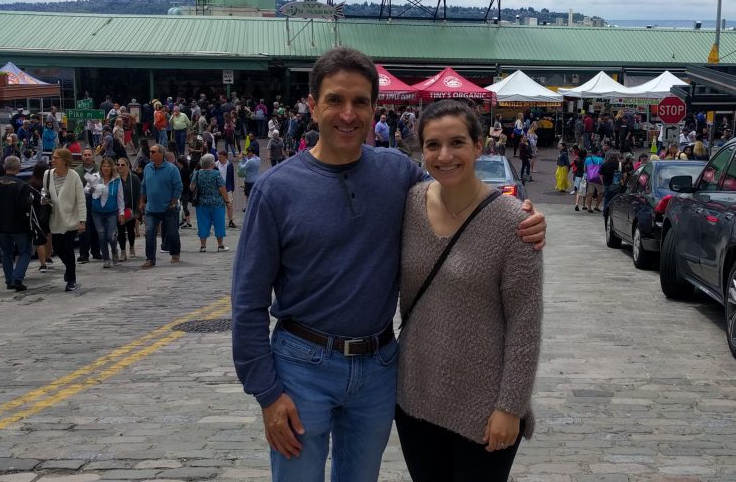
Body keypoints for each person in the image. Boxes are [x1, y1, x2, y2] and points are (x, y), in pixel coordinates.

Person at [231, 47, 545, 482]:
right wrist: (267, 393)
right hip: (302, 368)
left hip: (378, 367)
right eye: (335, 100)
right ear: (312, 103)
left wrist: (521, 216)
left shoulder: (398, 174)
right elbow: (247, 302)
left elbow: (457, 193)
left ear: (374, 108)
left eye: (360, 101)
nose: (348, 113)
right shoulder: (276, 190)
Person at [396, 100, 542, 482]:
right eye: (432, 145)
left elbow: (525, 325)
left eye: (457, 142)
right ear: (421, 150)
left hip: (483, 406)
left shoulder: (514, 223)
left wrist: (511, 406)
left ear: (479, 146)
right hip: (415, 396)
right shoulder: (408, 205)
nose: (445, 155)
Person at [0, 155, 34, 292]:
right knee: (25, 251)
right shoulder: (22, 185)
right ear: (19, 168)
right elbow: (26, 207)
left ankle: (9, 279)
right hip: (19, 225)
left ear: (4, 167)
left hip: (0, 225)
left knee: (6, 252)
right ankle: (17, 277)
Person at [44, 148, 86, 292]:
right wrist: (44, 198)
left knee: (67, 249)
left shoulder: (74, 176)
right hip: (54, 218)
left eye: (55, 158)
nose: (53, 160)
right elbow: (45, 191)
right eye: (52, 157)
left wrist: (82, 220)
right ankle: (69, 270)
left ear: (64, 160)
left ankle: (71, 278)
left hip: (70, 219)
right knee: (57, 248)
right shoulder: (48, 174)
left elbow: (81, 199)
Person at [138, 143, 183, 267]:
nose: (150, 154)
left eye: (153, 152)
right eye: (150, 152)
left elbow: (178, 187)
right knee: (150, 232)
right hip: (152, 208)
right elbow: (144, 186)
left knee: (172, 232)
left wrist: (173, 202)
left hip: (168, 207)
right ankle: (150, 259)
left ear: (161, 154)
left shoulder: (171, 169)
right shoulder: (148, 168)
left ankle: (175, 253)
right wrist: (142, 201)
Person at [189, 153, 231, 253]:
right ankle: (220, 245)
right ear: (212, 163)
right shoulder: (216, 174)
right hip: (217, 203)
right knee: (219, 223)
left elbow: (192, 188)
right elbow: (222, 189)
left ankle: (203, 246)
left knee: (202, 224)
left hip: (202, 203)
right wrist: (228, 201)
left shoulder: (197, 173)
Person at [90, 157, 125, 268]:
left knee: (111, 236)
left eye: (108, 166)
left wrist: (122, 213)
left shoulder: (117, 180)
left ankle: (114, 251)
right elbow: (85, 189)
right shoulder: (95, 177)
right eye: (104, 166)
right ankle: (106, 258)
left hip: (111, 212)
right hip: (97, 211)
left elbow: (120, 198)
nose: (106, 168)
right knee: (101, 235)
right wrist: (91, 189)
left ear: (112, 168)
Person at [29, 162, 55, 272]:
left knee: (39, 238)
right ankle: (49, 258)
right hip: (47, 211)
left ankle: (43, 263)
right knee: (48, 234)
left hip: (35, 213)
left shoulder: (30, 184)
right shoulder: (48, 184)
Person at [115, 157, 142, 260]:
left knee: (131, 230)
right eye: (118, 165)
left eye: (122, 165)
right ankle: (122, 251)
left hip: (131, 209)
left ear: (128, 166)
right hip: (120, 210)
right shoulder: (116, 179)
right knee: (120, 231)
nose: (120, 167)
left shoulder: (134, 178)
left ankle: (131, 247)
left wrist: (137, 209)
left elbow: (139, 194)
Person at [216, 150, 237, 228]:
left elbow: (231, 177)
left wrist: (232, 188)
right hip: (218, 188)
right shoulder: (216, 165)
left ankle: (230, 221)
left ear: (225, 156)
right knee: (219, 206)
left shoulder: (230, 165)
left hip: (227, 188)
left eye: (220, 157)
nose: (219, 158)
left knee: (229, 205)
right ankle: (218, 221)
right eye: (218, 156)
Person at [236, 143, 261, 208]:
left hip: (249, 180)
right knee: (254, 194)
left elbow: (242, 167)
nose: (247, 153)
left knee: (248, 195)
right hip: (256, 179)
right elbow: (249, 162)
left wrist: (241, 159)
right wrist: (245, 158)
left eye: (248, 152)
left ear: (251, 153)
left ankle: (248, 207)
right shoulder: (258, 159)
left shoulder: (250, 161)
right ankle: (253, 206)